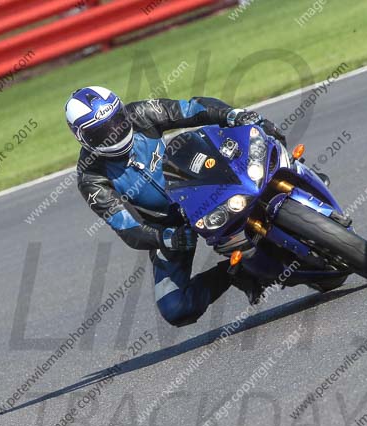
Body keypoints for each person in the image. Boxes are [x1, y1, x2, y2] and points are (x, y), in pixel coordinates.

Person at [66, 87, 285, 327]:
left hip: (200, 185)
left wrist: (232, 115)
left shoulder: (141, 113)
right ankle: (241, 272)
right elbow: (126, 226)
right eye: (102, 132)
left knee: (257, 149)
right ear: (83, 138)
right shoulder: (91, 177)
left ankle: (292, 179)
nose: (115, 133)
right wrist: (166, 237)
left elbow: (191, 109)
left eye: (117, 121)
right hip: (169, 225)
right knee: (176, 307)